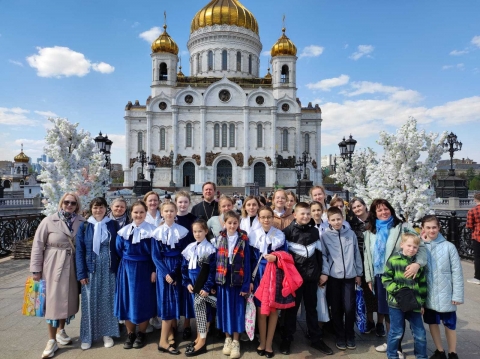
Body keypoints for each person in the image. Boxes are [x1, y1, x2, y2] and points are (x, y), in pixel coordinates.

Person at [363, 199, 427, 359]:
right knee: (387, 310)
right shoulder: (370, 231)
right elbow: (367, 256)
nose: (383, 212)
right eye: (379, 210)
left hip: (400, 276)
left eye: (386, 209)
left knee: (397, 310)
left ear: (391, 210)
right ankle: (392, 343)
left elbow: (421, 247)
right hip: (380, 276)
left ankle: (396, 347)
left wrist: (417, 264)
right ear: (374, 213)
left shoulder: (402, 227)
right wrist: (369, 277)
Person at [30, 193, 85, 358]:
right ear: (61, 203)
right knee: (53, 301)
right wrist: (36, 270)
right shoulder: (48, 221)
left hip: (73, 264)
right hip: (53, 264)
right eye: (66, 202)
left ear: (77, 205)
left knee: (67, 299)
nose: (69, 205)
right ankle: (51, 339)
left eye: (73, 203)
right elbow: (38, 245)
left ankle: (61, 330)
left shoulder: (81, 222)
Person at [281, 202, 333, 356]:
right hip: (294, 280)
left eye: (307, 213)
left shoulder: (315, 232)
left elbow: (319, 254)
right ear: (295, 215)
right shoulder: (287, 232)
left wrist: (322, 272)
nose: (305, 216)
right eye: (302, 213)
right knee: (290, 311)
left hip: (311, 278)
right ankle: (286, 338)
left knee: (312, 309)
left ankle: (315, 338)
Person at [76, 197, 120, 349]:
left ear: (106, 209)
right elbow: (80, 251)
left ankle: (107, 334)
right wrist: (81, 274)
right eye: (95, 207)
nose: (98, 210)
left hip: (108, 268)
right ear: (91, 209)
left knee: (107, 301)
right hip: (91, 268)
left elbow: (118, 248)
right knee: (89, 302)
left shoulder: (112, 224)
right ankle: (87, 336)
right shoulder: (85, 226)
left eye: (101, 207)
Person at [114, 201, 157, 350]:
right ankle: (130, 333)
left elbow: (155, 254)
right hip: (127, 269)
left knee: (142, 300)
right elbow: (119, 250)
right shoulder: (123, 232)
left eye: (141, 212)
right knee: (127, 300)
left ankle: (142, 333)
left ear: (146, 214)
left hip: (145, 269)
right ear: (131, 213)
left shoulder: (152, 231)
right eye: (135, 212)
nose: (138, 215)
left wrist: (153, 270)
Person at [320, 206, 362, 350]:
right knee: (336, 307)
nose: (336, 222)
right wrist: (325, 272)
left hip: (349, 276)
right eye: (333, 220)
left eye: (338, 219)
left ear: (342, 219)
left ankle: (350, 334)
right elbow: (324, 256)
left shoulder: (350, 234)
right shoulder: (325, 236)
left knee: (349, 307)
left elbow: (356, 253)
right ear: (329, 221)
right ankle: (339, 335)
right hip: (334, 276)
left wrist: (358, 273)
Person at [421, 215, 464, 359]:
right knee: (432, 322)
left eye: (434, 227)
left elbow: (457, 273)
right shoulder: (421, 247)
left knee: (449, 324)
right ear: (423, 229)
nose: (432, 230)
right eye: (428, 227)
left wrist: (457, 295)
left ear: (439, 227)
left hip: (446, 293)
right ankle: (440, 350)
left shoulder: (449, 247)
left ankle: (453, 352)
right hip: (429, 293)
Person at [151, 202, 190, 355]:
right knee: (166, 302)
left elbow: (184, 253)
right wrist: (166, 273)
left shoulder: (182, 231)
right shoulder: (157, 232)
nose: (169, 213)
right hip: (163, 270)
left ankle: (171, 333)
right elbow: (155, 256)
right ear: (162, 213)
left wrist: (175, 272)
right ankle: (163, 340)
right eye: (166, 211)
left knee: (175, 301)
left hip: (177, 269)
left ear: (175, 213)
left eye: (171, 211)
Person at [382, 233, 428, 359]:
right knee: (396, 332)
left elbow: (422, 284)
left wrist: (422, 303)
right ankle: (392, 355)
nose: (411, 249)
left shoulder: (418, 265)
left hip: (414, 303)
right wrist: (397, 292)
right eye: (409, 245)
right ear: (402, 245)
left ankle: (421, 356)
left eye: (415, 247)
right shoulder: (393, 260)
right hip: (396, 303)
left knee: (420, 333)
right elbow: (386, 279)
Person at [212, 210, 251, 359]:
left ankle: (236, 340)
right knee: (224, 309)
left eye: (235, 223)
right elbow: (215, 261)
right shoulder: (219, 238)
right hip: (223, 280)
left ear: (238, 223)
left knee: (237, 309)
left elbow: (247, 262)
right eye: (229, 223)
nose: (232, 225)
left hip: (237, 280)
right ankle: (227, 338)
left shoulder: (243, 239)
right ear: (224, 223)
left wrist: (246, 284)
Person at [249, 206, 286, 358]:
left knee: (273, 309)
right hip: (259, 274)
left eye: (268, 217)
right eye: (263, 217)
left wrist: (276, 258)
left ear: (273, 218)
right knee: (261, 309)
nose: (266, 220)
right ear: (258, 219)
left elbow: (285, 256)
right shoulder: (253, 235)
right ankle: (262, 341)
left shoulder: (279, 235)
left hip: (275, 273)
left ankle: (269, 343)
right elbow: (249, 260)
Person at [181, 220, 217, 357]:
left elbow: (211, 271)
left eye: (200, 231)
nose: (197, 234)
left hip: (203, 284)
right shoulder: (190, 247)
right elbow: (184, 267)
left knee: (204, 311)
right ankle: (198, 337)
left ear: (206, 232)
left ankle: (203, 339)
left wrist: (208, 287)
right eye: (195, 231)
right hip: (193, 284)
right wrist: (187, 282)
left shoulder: (210, 249)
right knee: (198, 310)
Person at [348, 197, 378, 334]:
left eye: (359, 206)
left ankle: (381, 323)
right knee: (367, 293)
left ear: (365, 206)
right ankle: (370, 321)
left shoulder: (375, 220)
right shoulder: (352, 224)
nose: (357, 209)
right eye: (354, 208)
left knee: (379, 293)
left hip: (375, 260)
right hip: (360, 260)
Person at [175, 190, 198, 339]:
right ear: (176, 203)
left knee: (188, 292)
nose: (182, 205)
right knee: (175, 293)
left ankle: (187, 324)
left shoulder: (194, 219)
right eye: (180, 202)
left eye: (185, 202)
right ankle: (172, 324)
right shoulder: (171, 217)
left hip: (190, 260)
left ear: (189, 203)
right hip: (174, 259)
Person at [466, 193, 480, 285]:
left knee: (478, 257)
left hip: (477, 236)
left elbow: (469, 225)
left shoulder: (472, 210)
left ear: (475, 199)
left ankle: (478, 277)